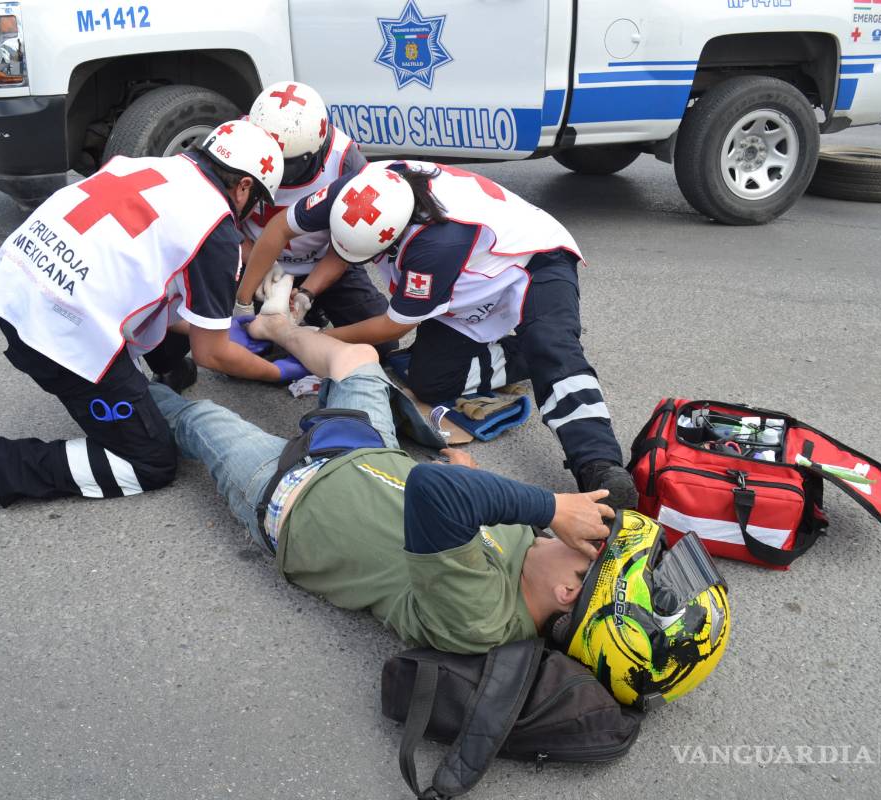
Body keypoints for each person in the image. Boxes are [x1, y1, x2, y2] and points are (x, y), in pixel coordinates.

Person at [147, 310, 616, 652]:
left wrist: (553, 507)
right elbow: (460, 508)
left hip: (288, 495)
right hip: (366, 449)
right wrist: (470, 479)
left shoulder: (481, 619)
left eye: (589, 547)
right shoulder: (533, 557)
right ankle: (274, 324)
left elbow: (433, 494)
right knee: (359, 357)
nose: (579, 534)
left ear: (568, 592)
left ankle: (106, 381)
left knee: (195, 417)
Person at [0, 120, 308, 519]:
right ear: (243, 187)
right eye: (253, 199)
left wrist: (215, 327)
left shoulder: (148, 166)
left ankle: (168, 371)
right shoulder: (216, 230)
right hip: (55, 334)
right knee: (150, 461)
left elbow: (146, 283)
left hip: (16, 286)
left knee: (168, 295)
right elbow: (214, 355)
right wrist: (277, 372)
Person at [248, 160, 637, 510]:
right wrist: (283, 295)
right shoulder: (359, 189)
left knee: (553, 348)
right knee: (429, 382)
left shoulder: (436, 243)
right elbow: (291, 230)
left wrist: (313, 336)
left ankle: (598, 463)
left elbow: (396, 325)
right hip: (465, 280)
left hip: (533, 254)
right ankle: (530, 349)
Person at [234, 82, 394, 350]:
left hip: (325, 263)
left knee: (384, 344)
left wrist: (307, 293)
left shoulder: (345, 160)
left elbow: (350, 242)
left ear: (316, 151)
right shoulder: (236, 142)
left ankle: (314, 307)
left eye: (287, 163)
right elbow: (220, 221)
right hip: (256, 264)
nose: (276, 170)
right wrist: (251, 282)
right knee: (246, 352)